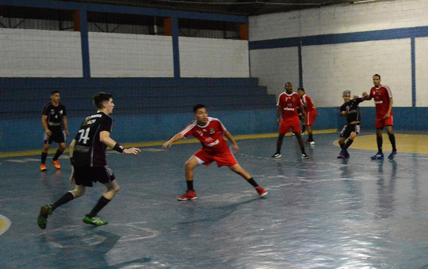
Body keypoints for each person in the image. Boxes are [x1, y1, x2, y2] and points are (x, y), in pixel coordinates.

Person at [37, 93, 141, 229]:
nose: (113, 104)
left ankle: (51, 207)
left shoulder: (88, 119)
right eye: (111, 102)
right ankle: (91, 215)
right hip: (95, 161)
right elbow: (104, 138)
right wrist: (123, 149)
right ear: (105, 104)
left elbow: (73, 144)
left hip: (79, 159)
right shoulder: (107, 119)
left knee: (79, 191)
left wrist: (74, 167)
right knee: (114, 188)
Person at [163, 104, 266, 201]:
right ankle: (191, 193)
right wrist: (171, 141)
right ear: (195, 116)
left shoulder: (215, 122)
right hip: (207, 151)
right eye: (200, 113)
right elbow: (181, 134)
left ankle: (258, 187)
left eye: (205, 112)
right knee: (188, 165)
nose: (204, 115)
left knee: (238, 170)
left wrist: (234, 143)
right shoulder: (193, 126)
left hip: (222, 151)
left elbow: (226, 132)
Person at [360, 74, 397, 160]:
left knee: (389, 130)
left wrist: (388, 112)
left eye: (377, 79)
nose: (375, 81)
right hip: (379, 115)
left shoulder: (385, 88)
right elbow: (370, 97)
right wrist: (365, 96)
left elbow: (391, 100)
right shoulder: (372, 89)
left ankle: (394, 149)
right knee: (378, 133)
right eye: (374, 79)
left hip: (387, 114)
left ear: (380, 80)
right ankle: (380, 153)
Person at [272, 82, 309, 159]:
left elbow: (301, 107)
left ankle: (303, 153)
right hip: (285, 119)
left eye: (291, 86)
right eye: (288, 86)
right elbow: (279, 108)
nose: (290, 88)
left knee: (298, 136)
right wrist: (278, 118)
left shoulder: (296, 96)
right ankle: (278, 152)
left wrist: (303, 117)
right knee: (281, 136)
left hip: (294, 118)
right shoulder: (282, 96)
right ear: (285, 87)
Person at [40, 90, 69, 171]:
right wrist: (46, 129)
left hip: (59, 128)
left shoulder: (62, 106)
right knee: (46, 146)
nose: (58, 97)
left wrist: (66, 129)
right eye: (56, 96)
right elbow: (44, 119)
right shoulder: (48, 106)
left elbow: (64, 118)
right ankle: (42, 164)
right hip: (51, 128)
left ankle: (55, 159)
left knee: (63, 146)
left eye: (59, 96)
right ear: (51, 97)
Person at [337, 90, 364, 159]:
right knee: (340, 141)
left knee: (352, 135)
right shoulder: (342, 107)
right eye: (346, 96)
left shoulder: (354, 102)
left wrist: (359, 96)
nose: (347, 98)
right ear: (343, 97)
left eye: (349, 96)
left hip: (356, 124)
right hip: (348, 125)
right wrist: (347, 111)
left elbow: (364, 98)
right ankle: (346, 153)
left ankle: (342, 151)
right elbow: (344, 114)